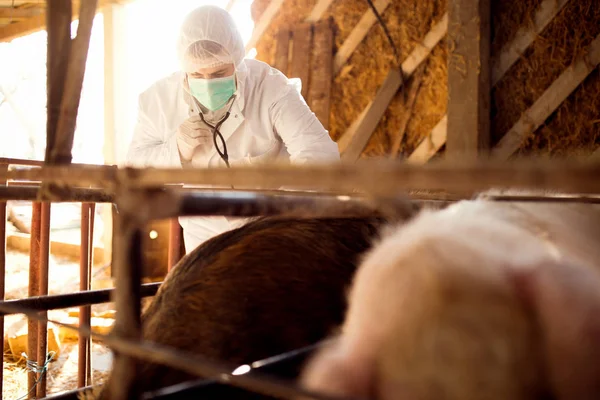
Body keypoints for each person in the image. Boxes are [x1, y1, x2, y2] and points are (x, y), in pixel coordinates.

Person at [125, 5, 340, 253]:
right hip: (202, 238)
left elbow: (319, 154)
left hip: (270, 228)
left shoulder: (271, 88)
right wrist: (176, 150)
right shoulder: (158, 101)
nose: (208, 84)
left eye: (219, 72)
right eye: (196, 74)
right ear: (184, 68)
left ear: (238, 62)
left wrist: (284, 217)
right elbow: (133, 167)